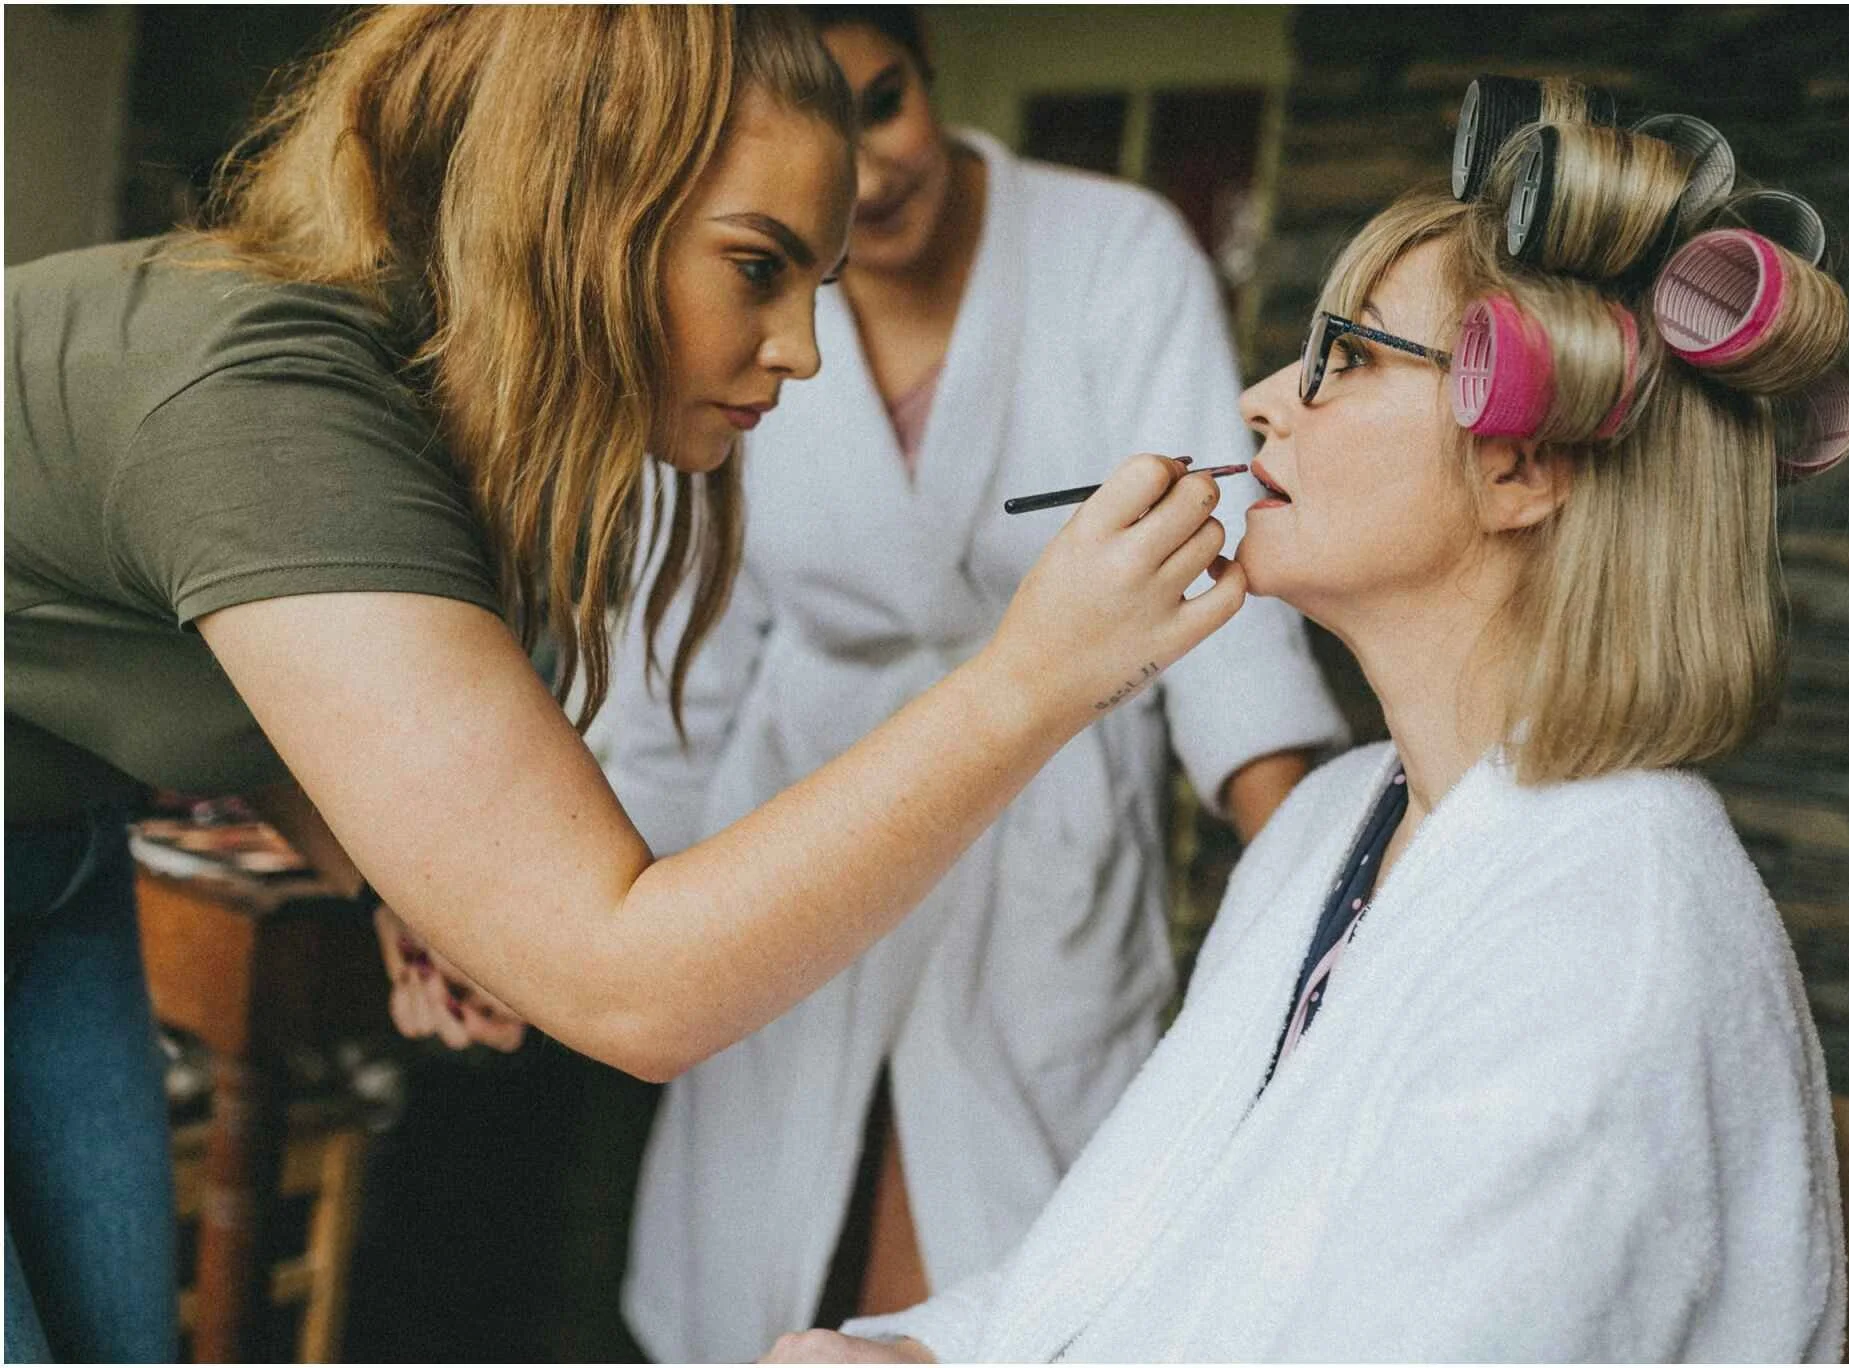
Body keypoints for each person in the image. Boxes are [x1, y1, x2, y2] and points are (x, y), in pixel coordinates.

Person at [3, 8, 1245, 1361]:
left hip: (55, 854)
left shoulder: (404, 386)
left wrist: (399, 878)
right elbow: (633, 988)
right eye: (758, 267)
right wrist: (1038, 676)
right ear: (581, 204)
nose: (803, 350)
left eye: (819, 285)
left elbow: (216, 665)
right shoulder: (272, 412)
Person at [767, 81, 1849, 1363]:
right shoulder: (1335, 822)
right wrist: (922, 1351)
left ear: (1518, 467)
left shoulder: (1606, 948)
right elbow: (1135, 1241)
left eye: (1348, 357)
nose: (1260, 399)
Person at [597, 9, 1349, 1360]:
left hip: (1042, 836)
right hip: (807, 822)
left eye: (881, 101)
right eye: (821, 126)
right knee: (764, 1231)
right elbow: (675, 662)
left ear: (929, 70)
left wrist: (1315, 904)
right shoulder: (730, 294)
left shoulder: (1112, 249)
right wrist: (582, 920)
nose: (869, 167)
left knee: (1003, 1263)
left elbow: (1220, 580)